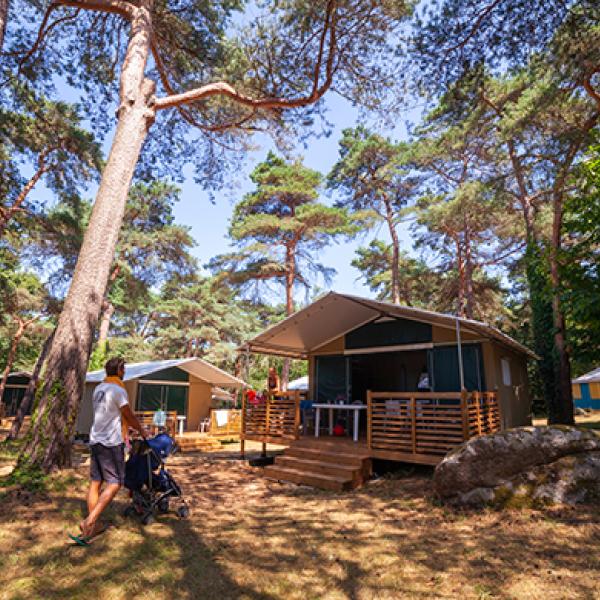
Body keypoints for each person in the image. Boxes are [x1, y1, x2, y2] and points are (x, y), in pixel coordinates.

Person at [70, 357, 146, 546]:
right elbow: (129, 415)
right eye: (124, 368)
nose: (125, 371)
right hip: (111, 443)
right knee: (115, 482)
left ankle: (92, 526)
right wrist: (143, 431)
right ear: (119, 370)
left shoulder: (99, 388)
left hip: (95, 439)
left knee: (96, 482)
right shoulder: (118, 390)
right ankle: (90, 521)